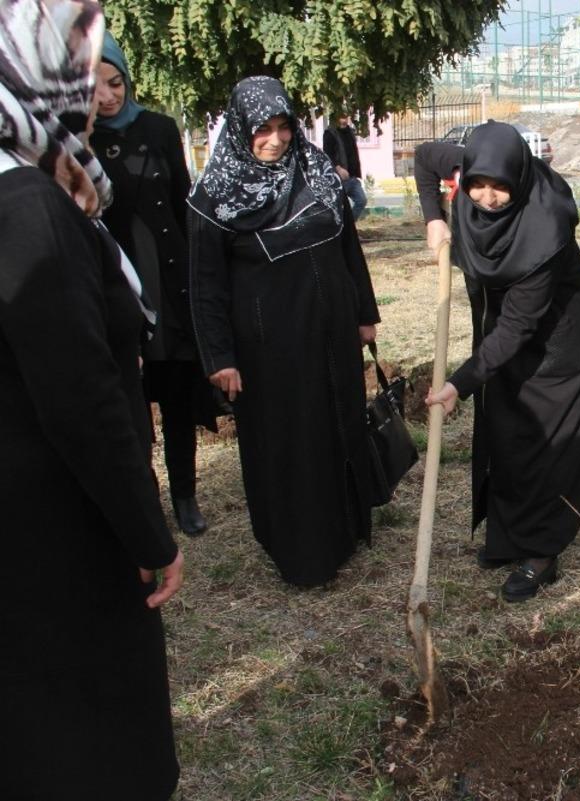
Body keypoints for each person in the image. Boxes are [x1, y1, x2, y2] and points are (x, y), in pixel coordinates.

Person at [1, 1, 183, 797]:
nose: (87, 82)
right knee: (87, 734)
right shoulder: (28, 208)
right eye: (73, 60)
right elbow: (79, 396)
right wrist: (149, 531)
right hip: (58, 527)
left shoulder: (43, 188)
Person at [188, 76, 381, 587]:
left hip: (333, 331)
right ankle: (302, 554)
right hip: (269, 346)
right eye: (261, 130)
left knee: (337, 425)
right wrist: (219, 357)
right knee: (290, 441)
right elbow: (204, 286)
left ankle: (346, 530)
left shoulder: (314, 169)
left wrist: (364, 312)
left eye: (282, 128)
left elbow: (348, 247)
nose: (274, 140)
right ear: (238, 130)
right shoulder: (215, 195)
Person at [417, 122, 580, 603]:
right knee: (504, 425)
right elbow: (421, 158)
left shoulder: (546, 226)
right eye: (478, 183)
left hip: (558, 335)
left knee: (544, 437)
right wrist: (433, 216)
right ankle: (508, 536)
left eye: (501, 187)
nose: (488, 197)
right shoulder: (461, 164)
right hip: (503, 319)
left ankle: (541, 552)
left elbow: (518, 328)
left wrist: (460, 382)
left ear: (519, 178)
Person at [92, 32, 216, 536]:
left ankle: (185, 496)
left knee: (178, 398)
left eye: (115, 82)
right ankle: (148, 501)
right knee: (131, 408)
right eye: (93, 86)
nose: (107, 96)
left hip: (169, 288)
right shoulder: (74, 141)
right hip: (116, 293)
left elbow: (185, 204)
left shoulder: (161, 129)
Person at [323, 114, 368, 221]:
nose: (345, 118)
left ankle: (348, 227)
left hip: (352, 177)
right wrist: (338, 168)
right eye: (342, 115)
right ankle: (339, 231)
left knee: (361, 200)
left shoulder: (350, 132)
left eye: (346, 115)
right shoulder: (330, 133)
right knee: (337, 207)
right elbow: (327, 155)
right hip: (338, 179)